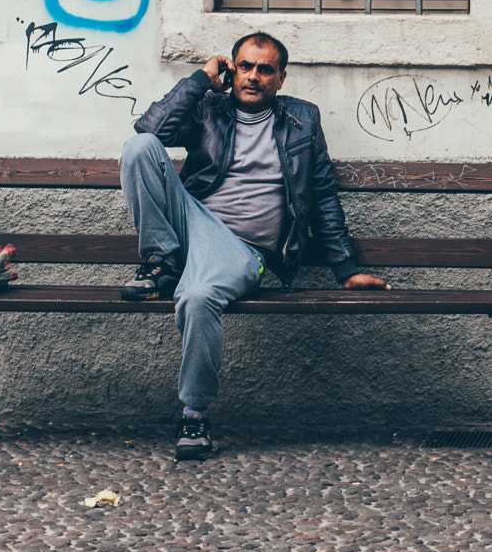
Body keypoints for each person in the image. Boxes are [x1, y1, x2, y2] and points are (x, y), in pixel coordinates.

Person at [119, 32, 385, 460]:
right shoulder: (209, 108)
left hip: (245, 252)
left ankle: (194, 412)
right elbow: (151, 130)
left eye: (265, 69)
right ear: (232, 69)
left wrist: (346, 268)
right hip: (193, 227)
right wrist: (202, 81)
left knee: (199, 296)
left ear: (281, 78)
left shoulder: (303, 119)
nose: (253, 77)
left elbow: (321, 192)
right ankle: (162, 260)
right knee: (139, 148)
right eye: (245, 66)